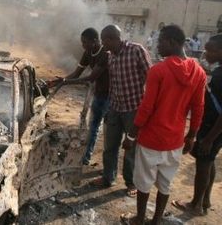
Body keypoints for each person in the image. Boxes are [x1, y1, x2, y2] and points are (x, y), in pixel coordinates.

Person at [120, 25, 207, 225]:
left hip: (151, 139)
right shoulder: (199, 72)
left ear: (172, 42)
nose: (157, 46)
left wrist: (131, 136)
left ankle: (140, 219)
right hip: (175, 140)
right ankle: (156, 221)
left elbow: (146, 107)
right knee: (165, 184)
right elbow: (198, 108)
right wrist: (191, 136)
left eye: (160, 41)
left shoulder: (158, 70)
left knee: (143, 182)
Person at [90, 25, 152, 197]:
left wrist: (147, 107)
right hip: (115, 108)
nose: (103, 44)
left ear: (112, 38)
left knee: (131, 149)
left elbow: (151, 78)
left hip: (134, 109)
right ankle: (108, 177)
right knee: (110, 146)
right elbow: (114, 85)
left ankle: (130, 182)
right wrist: (109, 109)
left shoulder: (136, 50)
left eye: (104, 40)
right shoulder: (110, 57)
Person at [172, 34, 222, 216]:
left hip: (212, 129)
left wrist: (209, 138)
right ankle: (205, 200)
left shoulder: (221, 76)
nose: (206, 53)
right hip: (212, 128)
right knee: (209, 162)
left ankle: (195, 204)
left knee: (203, 163)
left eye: (211, 50)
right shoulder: (218, 72)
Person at [47, 28, 110, 165]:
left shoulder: (105, 54)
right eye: (82, 42)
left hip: (112, 97)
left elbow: (91, 77)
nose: (83, 45)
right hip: (98, 94)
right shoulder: (88, 52)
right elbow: (76, 74)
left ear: (94, 41)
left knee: (109, 133)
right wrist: (60, 81)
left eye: (85, 42)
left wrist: (67, 82)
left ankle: (107, 167)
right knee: (93, 127)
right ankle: (86, 157)